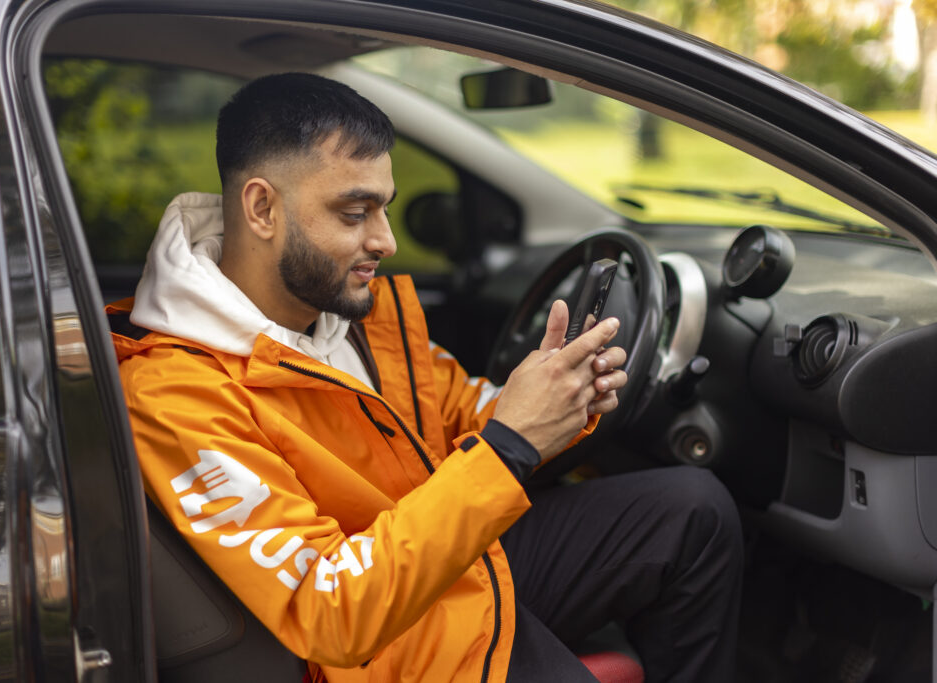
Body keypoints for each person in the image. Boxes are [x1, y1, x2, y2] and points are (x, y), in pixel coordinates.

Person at [109, 72, 743, 683]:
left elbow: (468, 414)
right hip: (381, 648)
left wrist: (562, 398)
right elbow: (330, 610)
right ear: (262, 208)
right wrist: (510, 444)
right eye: (354, 213)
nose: (385, 240)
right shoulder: (175, 393)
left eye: (384, 208)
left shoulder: (356, 316)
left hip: (445, 559)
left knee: (694, 509)